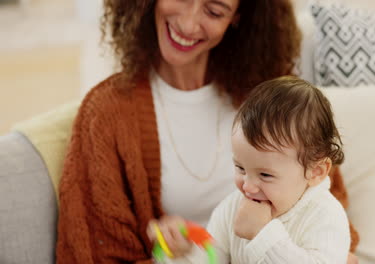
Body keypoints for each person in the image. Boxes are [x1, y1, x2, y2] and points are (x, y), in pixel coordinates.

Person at [55, 0, 358, 263]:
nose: (188, 23)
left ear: (238, 15)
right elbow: (93, 256)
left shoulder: (275, 96)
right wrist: (177, 252)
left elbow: (328, 206)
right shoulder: (106, 114)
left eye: (214, 11)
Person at [148, 76, 350, 263]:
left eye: (265, 175)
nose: (247, 186)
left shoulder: (325, 215)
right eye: (241, 168)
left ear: (315, 171)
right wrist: (184, 251)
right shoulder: (232, 208)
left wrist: (263, 234)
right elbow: (212, 259)